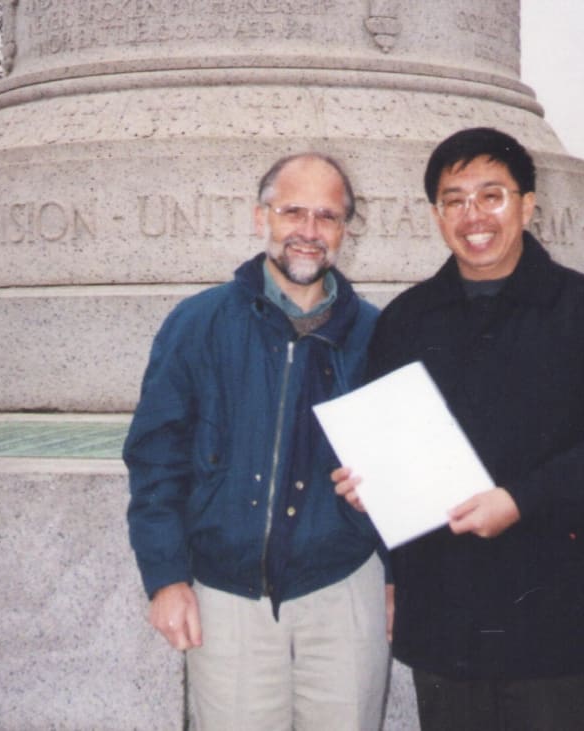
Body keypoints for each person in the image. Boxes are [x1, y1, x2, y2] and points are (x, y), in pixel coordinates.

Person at [335, 128, 584, 730]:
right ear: (436, 214)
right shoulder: (404, 322)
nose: (473, 216)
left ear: (528, 204)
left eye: (492, 195)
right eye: (454, 199)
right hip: (445, 622)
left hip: (558, 624)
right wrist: (369, 486)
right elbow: (388, 447)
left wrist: (520, 500)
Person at [125, 153, 390, 730]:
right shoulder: (196, 324)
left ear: (345, 230)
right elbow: (156, 462)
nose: (309, 231)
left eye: (327, 216)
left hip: (343, 588)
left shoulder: (378, 335)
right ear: (260, 217)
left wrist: (396, 577)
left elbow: (407, 469)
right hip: (227, 595)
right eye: (293, 211)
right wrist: (167, 577)